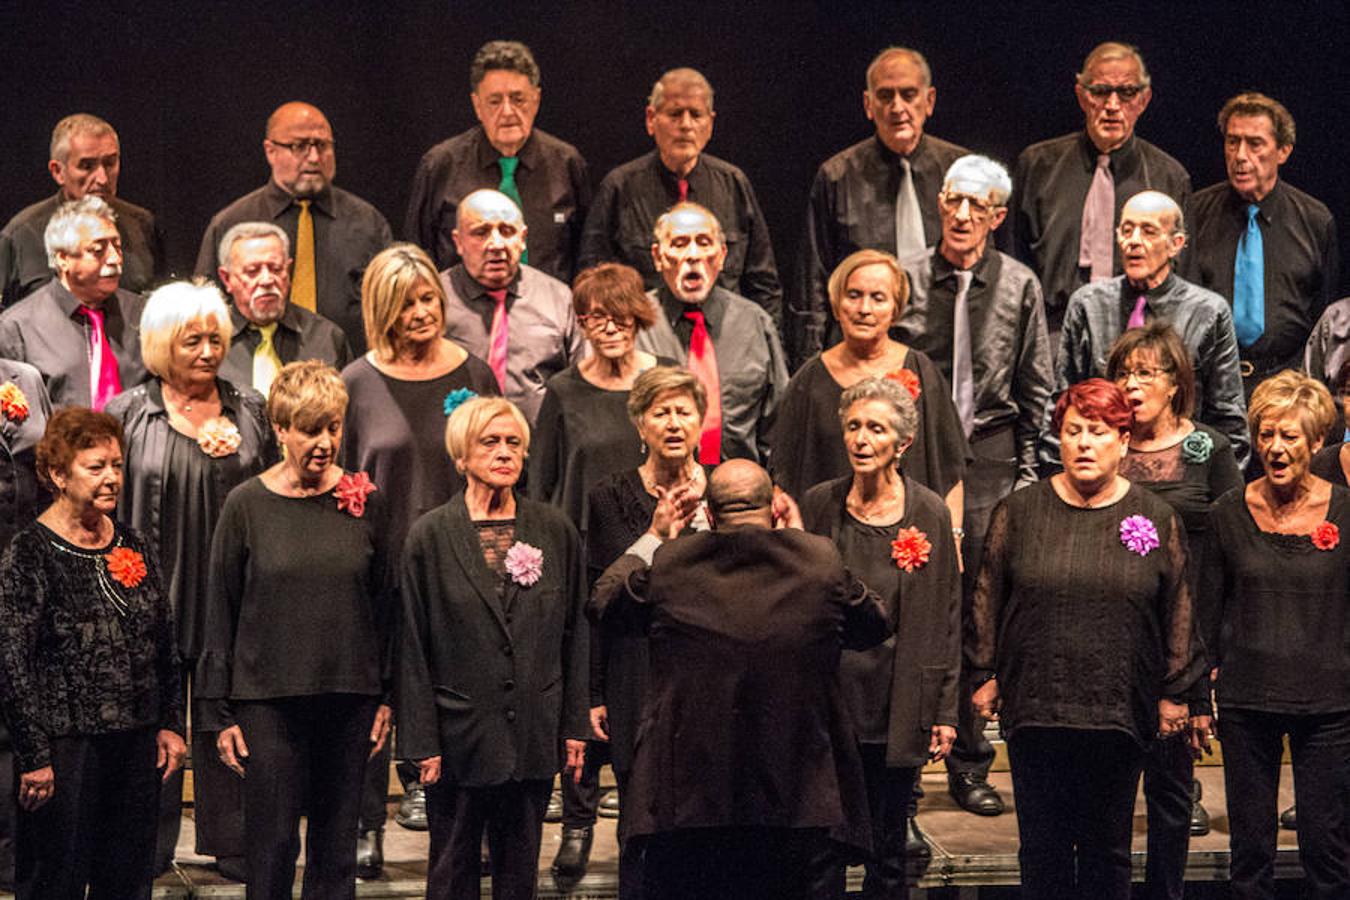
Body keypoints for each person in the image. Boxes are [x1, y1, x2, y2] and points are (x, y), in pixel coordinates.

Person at [589, 459, 889, 900]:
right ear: (774, 510)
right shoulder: (818, 561)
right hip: (799, 796)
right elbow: (877, 623)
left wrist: (654, 536)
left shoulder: (672, 563)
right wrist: (800, 540)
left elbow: (602, 602)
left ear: (709, 515)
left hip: (693, 800)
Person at [968, 379, 1204, 900]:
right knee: (1042, 850)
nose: (1083, 443)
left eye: (1097, 432)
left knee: (1107, 852)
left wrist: (1174, 690)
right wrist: (984, 674)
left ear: (1123, 440)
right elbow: (988, 594)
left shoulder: (1155, 517)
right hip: (1037, 707)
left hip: (1117, 711)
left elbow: (1179, 606)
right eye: (1073, 430)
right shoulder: (1020, 510)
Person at [197, 360, 394, 897]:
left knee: (336, 851)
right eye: (310, 429)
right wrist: (219, 712)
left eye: (332, 427)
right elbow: (221, 611)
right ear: (281, 429)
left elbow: (386, 607)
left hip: (349, 697)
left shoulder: (365, 501)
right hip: (269, 702)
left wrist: (385, 698)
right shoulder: (245, 505)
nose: (325, 442)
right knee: (273, 844)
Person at [895, 155, 1052, 819]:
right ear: (939, 204)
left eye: (977, 205)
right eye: (953, 201)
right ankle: (896, 767)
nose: (962, 215)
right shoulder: (903, 277)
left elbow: (1036, 389)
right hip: (912, 460)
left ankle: (971, 763)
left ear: (997, 216)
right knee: (906, 608)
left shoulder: (1019, 285)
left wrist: (1024, 481)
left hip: (989, 459)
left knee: (977, 615)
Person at [103, 280, 276, 878]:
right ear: (159, 345)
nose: (207, 351)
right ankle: (144, 844)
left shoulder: (250, 407)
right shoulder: (127, 413)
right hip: (148, 592)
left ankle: (232, 842)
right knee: (149, 720)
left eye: (214, 339)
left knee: (227, 714)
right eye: (191, 341)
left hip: (233, 594)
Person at [340, 242, 498, 874]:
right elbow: (344, 476)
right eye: (405, 305)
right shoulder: (356, 381)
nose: (421, 313)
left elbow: (497, 457)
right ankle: (367, 822)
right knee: (374, 694)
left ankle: (460, 823)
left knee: (461, 694)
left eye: (428, 298)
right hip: (380, 563)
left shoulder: (474, 375)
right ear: (383, 310)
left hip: (461, 561)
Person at [396, 396, 589, 900]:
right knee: (452, 872)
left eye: (514, 443)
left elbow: (575, 635)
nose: (505, 452)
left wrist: (572, 725)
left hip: (531, 733)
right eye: (490, 442)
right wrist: (420, 741)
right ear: (461, 456)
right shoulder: (430, 537)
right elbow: (413, 646)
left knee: (518, 875)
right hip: (458, 735)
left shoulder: (554, 530)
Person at [0, 407, 185, 899]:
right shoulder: (30, 552)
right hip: (65, 752)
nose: (112, 478)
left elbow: (163, 642)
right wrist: (35, 755)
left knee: (125, 881)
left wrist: (170, 721)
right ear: (58, 474)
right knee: (54, 882)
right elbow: (12, 662)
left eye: (117, 465)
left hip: (134, 742)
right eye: (96, 466)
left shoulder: (133, 543)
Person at [800, 377, 961, 898]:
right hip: (829, 702)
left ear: (903, 443)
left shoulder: (928, 511)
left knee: (889, 854)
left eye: (875, 428)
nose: (861, 439)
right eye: (853, 426)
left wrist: (944, 709)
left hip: (895, 698)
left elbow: (943, 614)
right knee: (820, 851)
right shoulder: (820, 504)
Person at [1198, 371, 1350, 900]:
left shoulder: (1346, 514)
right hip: (1247, 702)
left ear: (1316, 441)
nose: (1276, 448)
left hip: (1329, 706)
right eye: (1267, 435)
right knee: (1251, 849)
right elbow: (1205, 615)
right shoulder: (1227, 513)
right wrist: (1198, 696)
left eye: (1289, 436)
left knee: (1326, 847)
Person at [1105, 323, 1243, 899]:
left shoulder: (1205, 448)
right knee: (1108, 793)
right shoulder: (1101, 441)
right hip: (1114, 637)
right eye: (1122, 372)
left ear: (1177, 383)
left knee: (1171, 792)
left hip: (1183, 638)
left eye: (1146, 372)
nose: (1131, 384)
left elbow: (1235, 547)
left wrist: (1213, 650)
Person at [580, 365, 711, 896]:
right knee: (639, 821)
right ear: (640, 423)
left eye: (684, 412)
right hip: (635, 669)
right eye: (661, 413)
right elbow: (598, 598)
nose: (674, 423)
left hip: (706, 674)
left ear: (701, 421)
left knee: (704, 824)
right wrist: (593, 691)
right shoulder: (609, 496)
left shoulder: (726, 491)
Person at [793, 46, 969, 365]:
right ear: (868, 105)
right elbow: (814, 280)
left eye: (909, 94)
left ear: (929, 101)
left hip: (944, 350)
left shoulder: (961, 172)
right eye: (885, 96)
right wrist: (810, 368)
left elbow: (984, 267)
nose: (897, 107)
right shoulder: (836, 176)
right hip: (859, 351)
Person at [1010, 42, 1191, 343]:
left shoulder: (1169, 177)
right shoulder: (1038, 165)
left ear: (1144, 100)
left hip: (1140, 334)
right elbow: (1014, 259)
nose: (1112, 105)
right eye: (1101, 91)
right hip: (1053, 330)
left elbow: (1183, 277)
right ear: (1082, 96)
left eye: (1126, 93)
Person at [773, 248, 966, 530]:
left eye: (878, 298)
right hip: (827, 540)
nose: (864, 309)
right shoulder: (809, 381)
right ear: (837, 304)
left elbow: (951, 471)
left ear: (895, 310)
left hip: (911, 536)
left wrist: (955, 539)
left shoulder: (921, 370)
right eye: (854, 295)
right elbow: (783, 478)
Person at [1054, 190, 1249, 467]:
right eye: (1127, 230)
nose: (1134, 241)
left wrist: (1218, 488)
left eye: (1148, 232)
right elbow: (1062, 400)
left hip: (1180, 470)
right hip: (1099, 471)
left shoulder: (1208, 311)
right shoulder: (1088, 304)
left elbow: (1228, 415)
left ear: (1176, 244)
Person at [580, 68, 781, 325]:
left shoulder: (734, 184)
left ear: (710, 123)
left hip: (726, 338)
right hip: (648, 338)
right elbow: (594, 281)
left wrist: (769, 343)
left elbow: (763, 283)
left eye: (696, 115)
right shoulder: (620, 188)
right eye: (675, 114)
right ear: (651, 119)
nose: (686, 125)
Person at [195, 102, 393, 355]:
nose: (313, 157)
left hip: (349, 368)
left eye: (322, 145)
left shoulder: (367, 223)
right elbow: (204, 310)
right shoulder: (232, 223)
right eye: (299, 146)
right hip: (255, 370)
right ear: (270, 151)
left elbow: (391, 305)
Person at [1183, 93, 1339, 399]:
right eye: (1232, 142)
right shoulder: (1194, 213)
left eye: (1255, 144)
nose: (1240, 155)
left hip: (1286, 386)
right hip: (1209, 384)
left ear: (1283, 151)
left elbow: (1327, 316)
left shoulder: (1315, 220)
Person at [405, 40, 590, 282]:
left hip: (548, 315)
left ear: (536, 100)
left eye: (518, 99)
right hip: (460, 314)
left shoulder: (566, 164)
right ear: (477, 105)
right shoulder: (441, 165)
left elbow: (586, 255)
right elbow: (415, 256)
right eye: (495, 101)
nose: (507, 111)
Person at [635, 203, 787, 465]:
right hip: (655, 488)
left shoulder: (755, 323)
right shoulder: (635, 324)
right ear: (658, 257)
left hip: (738, 488)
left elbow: (779, 422)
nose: (693, 255)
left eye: (704, 242)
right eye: (680, 243)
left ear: (722, 255)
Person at [530, 262, 666, 528]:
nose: (610, 328)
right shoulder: (563, 389)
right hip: (587, 535)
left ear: (637, 318)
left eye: (620, 316)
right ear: (582, 324)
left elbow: (696, 456)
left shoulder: (667, 377)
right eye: (598, 317)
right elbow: (541, 480)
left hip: (661, 527)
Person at [439, 189, 583, 425]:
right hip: (456, 449)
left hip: (539, 451)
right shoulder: (435, 300)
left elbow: (580, 386)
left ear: (523, 238)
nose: (496, 244)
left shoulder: (558, 298)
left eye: (507, 231)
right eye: (481, 232)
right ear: (458, 241)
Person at [0, 113, 166, 306]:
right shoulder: (22, 234)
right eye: (87, 166)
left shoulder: (141, 224)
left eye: (110, 163)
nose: (102, 178)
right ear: (58, 171)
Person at [0, 196, 148, 409]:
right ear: (63, 259)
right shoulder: (17, 328)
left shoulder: (143, 315)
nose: (114, 259)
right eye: (98, 250)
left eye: (117, 246)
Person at [0, 361, 50, 889]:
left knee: (21, 716)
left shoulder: (26, 379)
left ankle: (20, 857)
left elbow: (49, 469)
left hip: (23, 574)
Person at [215, 221, 352, 394]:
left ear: (289, 270)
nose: (267, 280)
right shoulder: (212, 341)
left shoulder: (326, 338)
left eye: (276, 269)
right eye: (252, 271)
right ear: (226, 278)